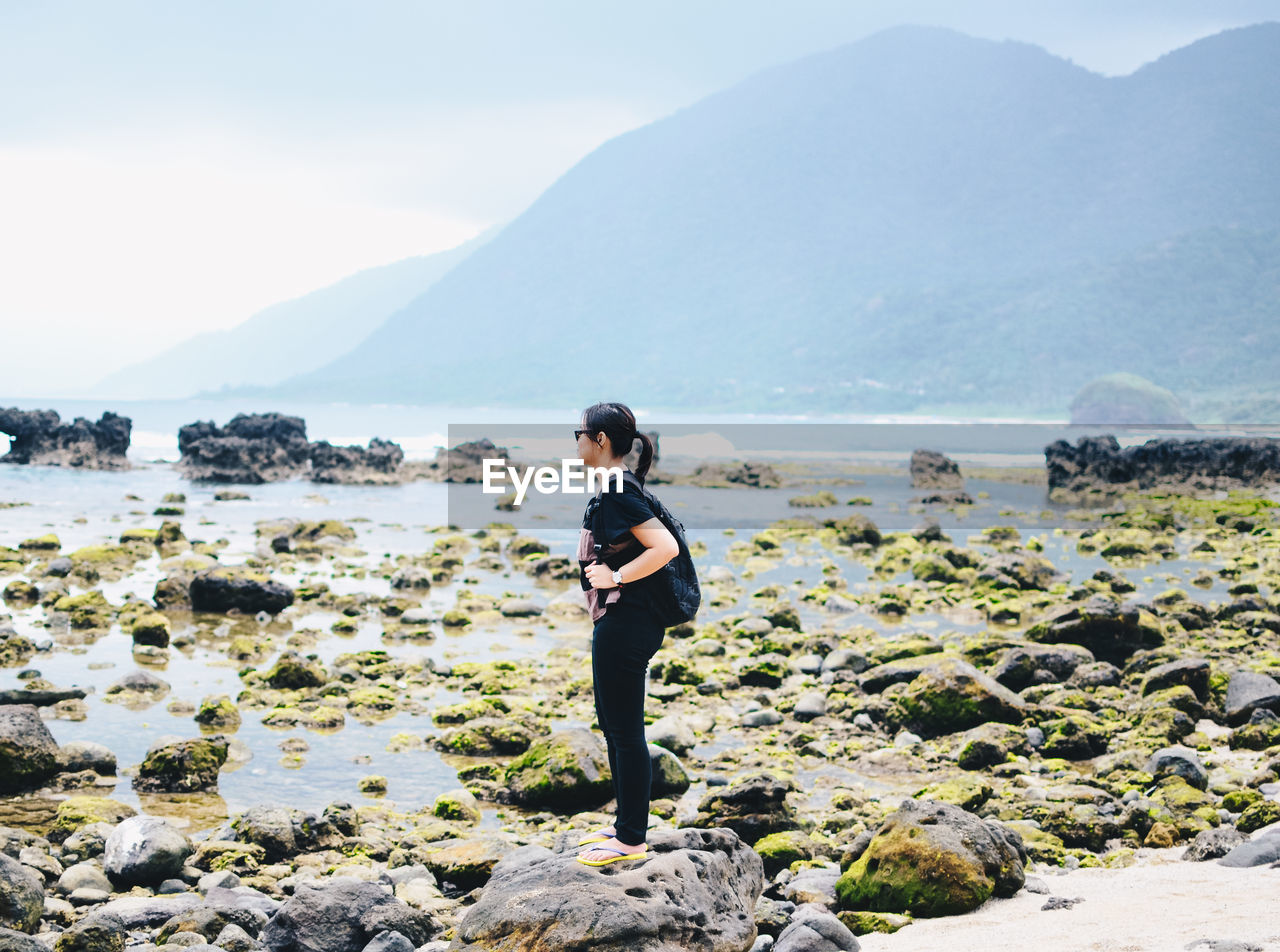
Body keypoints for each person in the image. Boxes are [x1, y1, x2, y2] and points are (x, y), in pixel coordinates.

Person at [572, 401, 679, 867]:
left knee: (624, 730)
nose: (574, 441)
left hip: (626, 621)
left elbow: (665, 547)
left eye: (578, 432)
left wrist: (616, 579)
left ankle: (632, 837)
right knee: (616, 728)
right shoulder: (615, 486)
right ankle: (624, 826)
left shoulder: (616, 489)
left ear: (599, 440)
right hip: (626, 620)